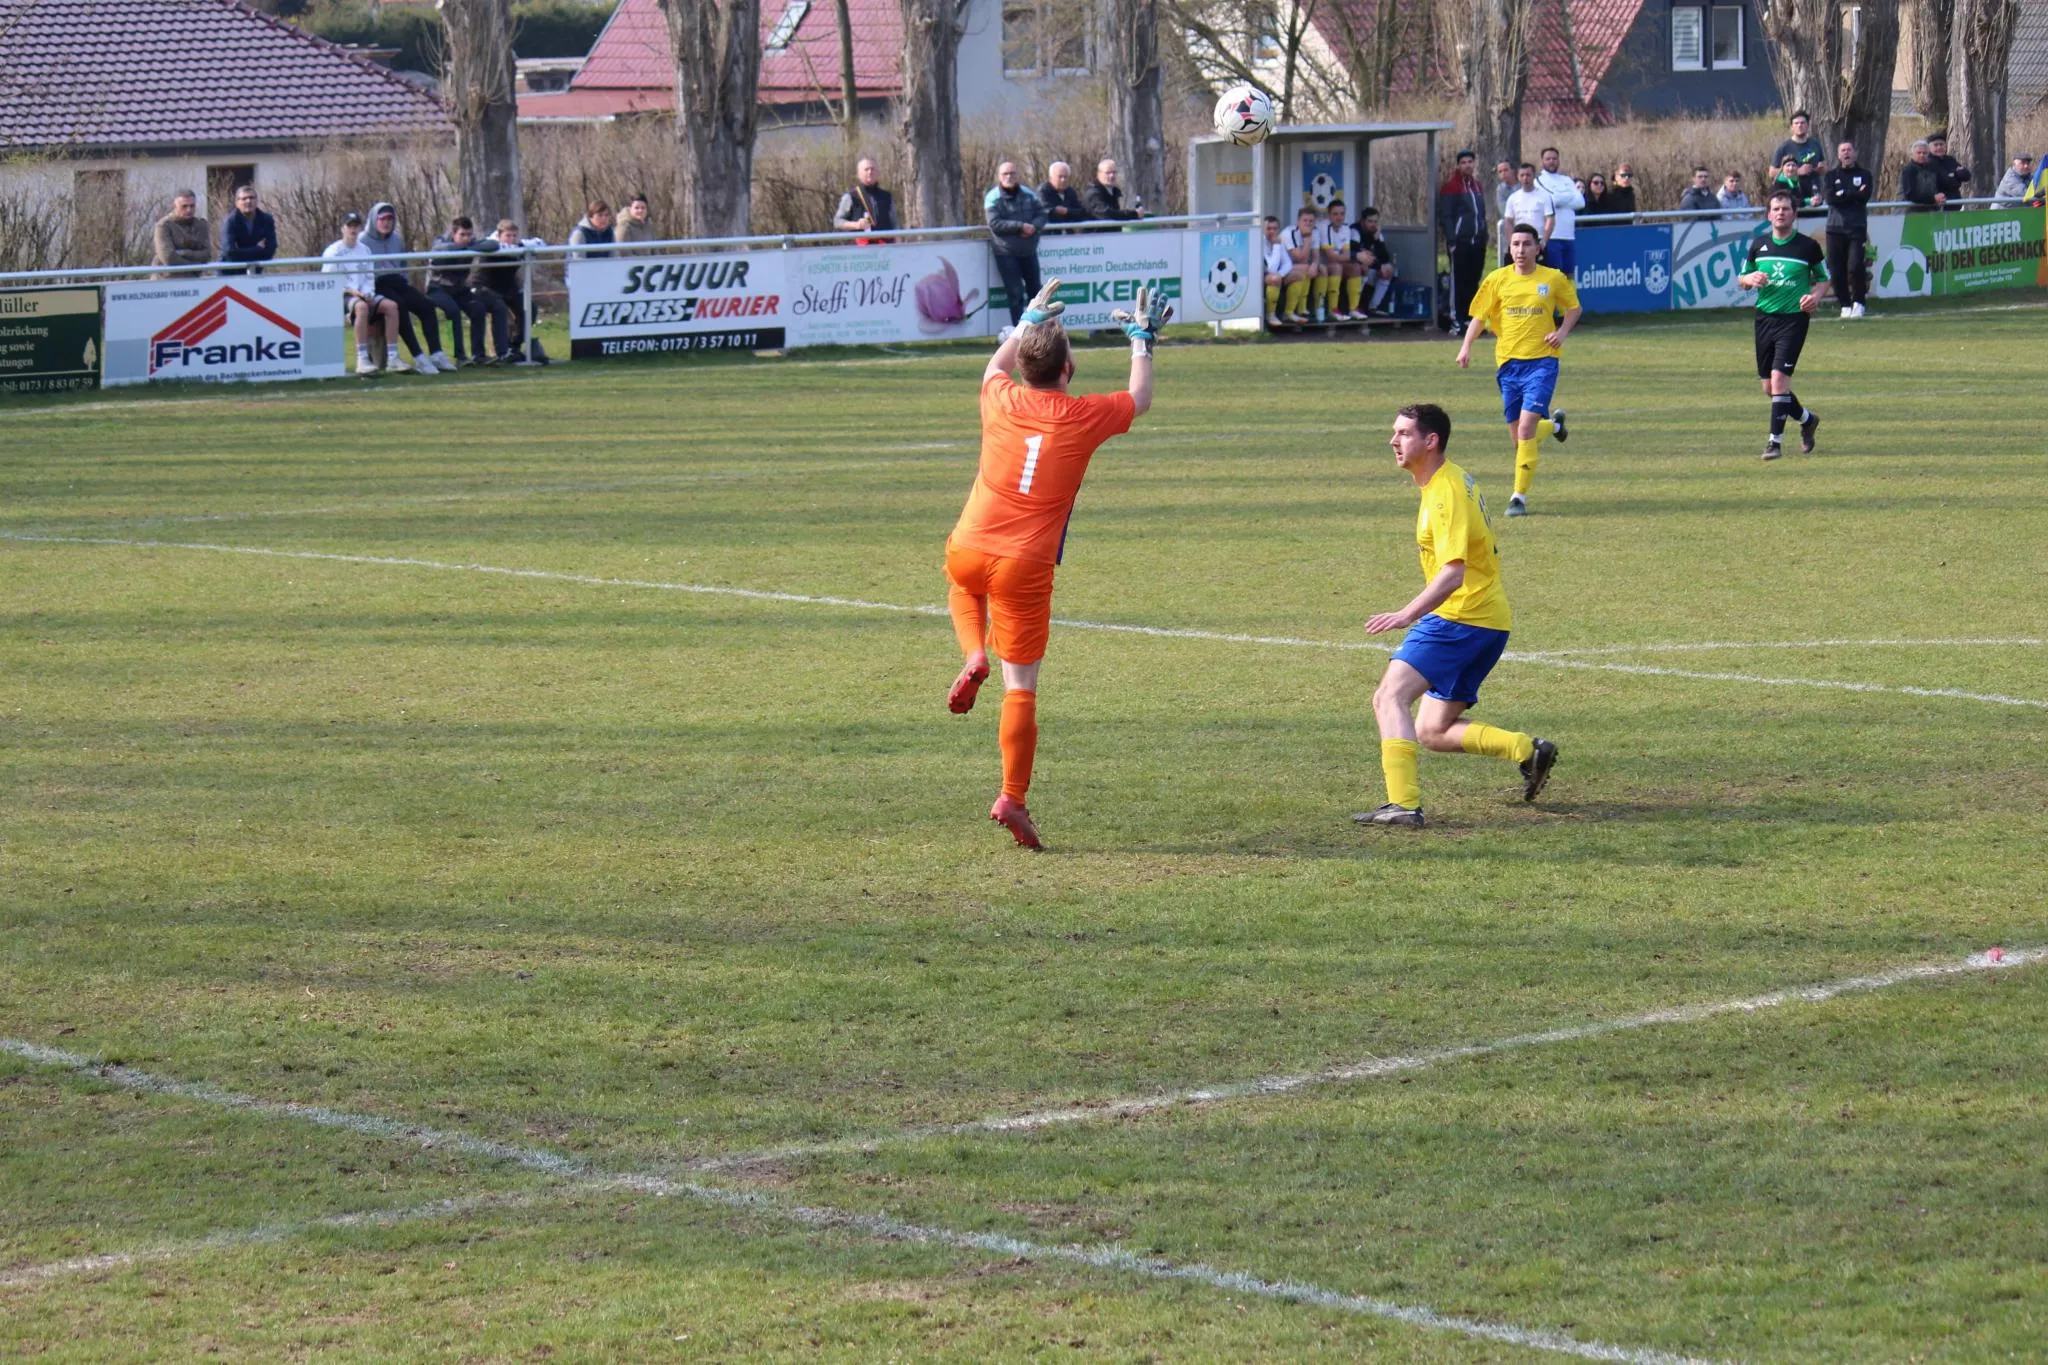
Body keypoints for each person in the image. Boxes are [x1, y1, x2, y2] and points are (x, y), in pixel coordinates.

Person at [942, 278, 1168, 849]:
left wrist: (1025, 321)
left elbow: (992, 368)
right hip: (1024, 564)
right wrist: (1141, 341)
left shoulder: (1001, 396)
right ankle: (1011, 797)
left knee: (963, 584)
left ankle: (973, 653)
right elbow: (1139, 398)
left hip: (970, 545)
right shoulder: (1083, 415)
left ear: (1024, 367)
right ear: (1068, 370)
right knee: (1021, 686)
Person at [1355, 402, 1558, 828]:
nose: (1393, 441)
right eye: (1394, 432)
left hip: (1461, 617)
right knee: (1432, 731)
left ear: (1431, 441)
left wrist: (1406, 613)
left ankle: (1403, 804)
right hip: (1487, 621)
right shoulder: (1448, 480)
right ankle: (1526, 750)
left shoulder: (1445, 493)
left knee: (1389, 697)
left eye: (1404, 433)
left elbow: (1453, 573)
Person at [1457, 223, 1578, 517]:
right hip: (1508, 365)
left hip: (1543, 362)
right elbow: (1479, 316)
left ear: (1538, 248)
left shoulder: (1552, 278)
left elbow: (1574, 308)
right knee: (1519, 439)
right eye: (1515, 244)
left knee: (1525, 429)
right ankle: (1554, 426)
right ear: (1509, 248)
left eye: (1526, 244)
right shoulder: (1497, 279)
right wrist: (1466, 346)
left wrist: (1561, 333)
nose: (1520, 250)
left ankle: (1518, 498)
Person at [1738, 190, 1829, 461]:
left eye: (1786, 209)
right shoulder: (1759, 245)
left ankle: (1774, 443)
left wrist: (1815, 298)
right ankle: (1808, 420)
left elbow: (1824, 278)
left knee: (1779, 381)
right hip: (1764, 319)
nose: (1781, 213)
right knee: (1769, 388)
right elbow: (1742, 279)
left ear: (1794, 214)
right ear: (1769, 215)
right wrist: (1750, 279)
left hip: (1794, 320)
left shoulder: (1807, 247)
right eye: (1776, 209)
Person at [362, 200, 454, 375]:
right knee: (399, 306)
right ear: (374, 219)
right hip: (376, 283)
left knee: (427, 306)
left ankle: (436, 353)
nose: (386, 223)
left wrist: (406, 282)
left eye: (390, 219)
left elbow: (402, 264)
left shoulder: (396, 239)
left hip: (397, 280)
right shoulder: (363, 241)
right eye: (382, 219)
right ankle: (418, 356)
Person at [321, 210, 401, 377]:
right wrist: (352, 291)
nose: (353, 229)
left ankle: (393, 357)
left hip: (363, 294)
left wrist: (368, 293)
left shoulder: (365, 250)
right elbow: (329, 282)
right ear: (343, 228)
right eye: (349, 226)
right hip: (342, 296)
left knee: (392, 306)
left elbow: (369, 277)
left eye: (356, 226)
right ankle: (362, 359)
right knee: (361, 307)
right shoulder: (333, 251)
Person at [428, 216, 514, 364]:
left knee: (478, 309)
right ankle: (458, 355)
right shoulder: (441, 242)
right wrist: (464, 248)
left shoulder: (471, 243)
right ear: (453, 233)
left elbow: (492, 245)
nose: (466, 238)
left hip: (460, 289)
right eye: (462, 235)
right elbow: (438, 249)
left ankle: (478, 355)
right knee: (453, 311)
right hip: (437, 288)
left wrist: (468, 247)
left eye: (469, 235)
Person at [984, 161, 1047, 333]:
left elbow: (1042, 214)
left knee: (1036, 292)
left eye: (1012, 173)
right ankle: (1020, 332)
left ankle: (1039, 330)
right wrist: (1020, 227)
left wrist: (1034, 227)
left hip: (1029, 251)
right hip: (1006, 252)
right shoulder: (992, 197)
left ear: (1018, 175)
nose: (1009, 177)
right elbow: (994, 223)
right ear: (999, 177)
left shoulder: (1029, 194)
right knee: (1015, 293)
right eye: (1005, 174)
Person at [471, 219, 544, 364]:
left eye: (514, 236)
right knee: (499, 308)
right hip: (485, 288)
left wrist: (523, 246)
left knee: (530, 309)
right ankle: (501, 352)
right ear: (499, 236)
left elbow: (539, 243)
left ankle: (514, 346)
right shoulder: (491, 246)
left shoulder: (518, 246)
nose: (511, 239)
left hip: (508, 288)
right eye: (508, 236)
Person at [1437, 150, 1489, 338]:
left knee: (1473, 282)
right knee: (1458, 282)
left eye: (1470, 162)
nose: (1467, 165)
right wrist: (1452, 240)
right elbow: (1446, 216)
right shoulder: (1451, 187)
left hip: (1478, 241)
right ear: (1458, 165)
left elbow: (1480, 214)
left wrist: (1484, 234)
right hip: (1460, 242)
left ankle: (1470, 320)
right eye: (1463, 162)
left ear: (1474, 164)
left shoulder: (1477, 186)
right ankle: (1456, 320)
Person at [1823, 141, 1873, 319]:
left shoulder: (1865, 174)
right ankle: (1844, 304)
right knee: (1836, 269)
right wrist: (1853, 193)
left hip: (1856, 228)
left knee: (1855, 266)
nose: (1846, 153)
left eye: (1849, 150)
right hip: (1834, 228)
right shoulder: (1831, 176)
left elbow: (1864, 196)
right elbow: (1830, 198)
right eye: (1843, 150)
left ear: (1855, 153)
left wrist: (1843, 193)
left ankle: (1859, 302)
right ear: (1838, 155)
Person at [1534, 146, 1584, 276]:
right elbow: (1551, 201)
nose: (1552, 161)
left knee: (1569, 276)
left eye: (1554, 158)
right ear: (1542, 161)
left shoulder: (1566, 180)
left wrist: (1560, 199)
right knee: (1554, 276)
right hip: (1551, 237)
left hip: (1569, 236)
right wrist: (1569, 196)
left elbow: (1580, 202)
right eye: (1548, 159)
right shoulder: (1538, 181)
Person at [1317, 198, 1363, 321]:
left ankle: (1353, 309)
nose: (1339, 217)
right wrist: (1351, 256)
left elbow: (1346, 254)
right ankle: (1333, 310)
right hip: (1320, 264)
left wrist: (1348, 257)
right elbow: (1330, 256)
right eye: (1335, 214)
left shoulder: (1346, 228)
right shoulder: (1324, 227)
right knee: (1337, 267)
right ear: (1329, 215)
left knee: (1355, 268)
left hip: (1337, 262)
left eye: (1342, 214)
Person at [217, 184, 277, 273]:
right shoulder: (230, 222)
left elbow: (270, 249)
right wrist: (257, 249)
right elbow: (229, 252)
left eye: (251, 198)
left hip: (255, 271)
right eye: (244, 198)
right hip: (229, 273)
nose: (248, 201)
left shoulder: (266, 220)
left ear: (256, 201)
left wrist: (241, 252)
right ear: (237, 203)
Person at [1277, 205, 1321, 323]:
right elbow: (1300, 258)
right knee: (1304, 268)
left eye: (1311, 221)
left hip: (1296, 266)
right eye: (1305, 221)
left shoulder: (1315, 232)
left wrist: (1315, 265)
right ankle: (1289, 312)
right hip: (1280, 268)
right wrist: (1307, 239)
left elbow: (1316, 256)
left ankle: (1308, 309)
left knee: (1321, 269)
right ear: (1298, 221)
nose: (1308, 224)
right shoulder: (1289, 233)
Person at [833, 159, 898, 237]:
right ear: (858, 174)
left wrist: (898, 239)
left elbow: (895, 223)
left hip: (886, 242)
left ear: (877, 173)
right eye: (866, 169)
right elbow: (837, 222)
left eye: (872, 169)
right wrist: (857, 225)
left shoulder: (887, 196)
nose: (870, 172)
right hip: (860, 243)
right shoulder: (850, 196)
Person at [152, 190, 210, 276]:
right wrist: (193, 267)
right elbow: (168, 257)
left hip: (194, 279)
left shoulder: (201, 225)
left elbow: (207, 254)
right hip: (167, 279)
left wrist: (185, 253)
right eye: (184, 206)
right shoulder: (163, 226)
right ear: (174, 206)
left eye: (192, 206)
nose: (189, 210)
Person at [1771, 110, 1825, 200]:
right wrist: (1797, 171)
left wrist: (1816, 169)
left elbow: (1824, 167)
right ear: (1792, 127)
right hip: (1794, 194)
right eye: (1796, 123)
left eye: (1802, 123)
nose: (1800, 125)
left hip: (1815, 193)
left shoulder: (1815, 144)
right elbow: (1772, 172)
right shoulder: (1784, 147)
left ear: (1807, 125)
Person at [1501, 163, 1552, 257]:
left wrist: (1544, 241)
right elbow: (1508, 222)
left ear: (1534, 176)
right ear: (1518, 177)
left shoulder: (1545, 196)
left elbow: (1550, 219)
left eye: (1528, 175)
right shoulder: (1513, 198)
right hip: (1519, 240)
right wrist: (1511, 242)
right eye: (1522, 175)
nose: (1525, 178)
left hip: (1538, 240)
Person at [1355, 207, 1398, 315]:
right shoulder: (1354, 231)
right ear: (1362, 221)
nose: (1373, 224)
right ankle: (1355, 307)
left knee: (1388, 269)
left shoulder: (1376, 234)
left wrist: (1377, 240)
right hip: (1355, 268)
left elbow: (1385, 258)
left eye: (1375, 222)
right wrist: (1378, 266)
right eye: (1370, 221)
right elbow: (1355, 253)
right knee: (1364, 266)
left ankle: (1373, 307)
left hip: (1372, 268)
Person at [1259, 215, 1296, 327]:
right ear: (1263, 229)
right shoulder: (1260, 242)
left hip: (1274, 275)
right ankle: (1270, 314)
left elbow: (1288, 263)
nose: (1272, 231)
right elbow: (1271, 268)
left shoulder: (1278, 241)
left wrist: (1280, 275)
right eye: (1269, 228)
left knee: (1298, 275)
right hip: (1259, 276)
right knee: (1274, 279)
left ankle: (1288, 313)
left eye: (1275, 229)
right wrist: (1276, 246)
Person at [1036, 161, 1086, 227]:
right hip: (1050, 231)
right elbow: (1045, 211)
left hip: (1068, 231)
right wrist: (1056, 211)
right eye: (1060, 177)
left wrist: (1067, 212)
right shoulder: (1043, 191)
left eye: (1066, 177)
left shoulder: (1070, 192)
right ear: (1050, 178)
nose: (1063, 180)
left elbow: (1081, 212)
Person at [1926, 132, 1971, 205]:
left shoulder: (1950, 160)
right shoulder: (1927, 162)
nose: (1939, 147)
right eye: (1936, 145)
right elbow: (1944, 181)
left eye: (1941, 144)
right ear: (1929, 148)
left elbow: (1966, 175)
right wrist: (1956, 175)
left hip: (1954, 203)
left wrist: (1953, 175)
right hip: (1937, 204)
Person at [1900, 140, 1943, 211]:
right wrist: (1933, 199)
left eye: (1924, 153)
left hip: (1930, 211)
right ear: (1912, 154)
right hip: (1910, 211)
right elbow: (1910, 195)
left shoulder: (1932, 169)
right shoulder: (1909, 170)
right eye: (1919, 153)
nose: (1922, 155)